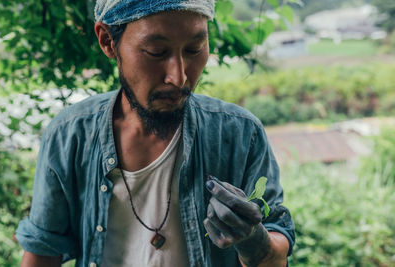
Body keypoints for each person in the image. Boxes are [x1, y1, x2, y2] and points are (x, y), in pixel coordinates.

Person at [16, 0, 295, 266]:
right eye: (156, 52)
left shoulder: (241, 135)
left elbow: (274, 256)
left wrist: (255, 242)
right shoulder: (70, 135)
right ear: (107, 40)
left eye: (194, 49)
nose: (179, 77)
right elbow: (42, 253)